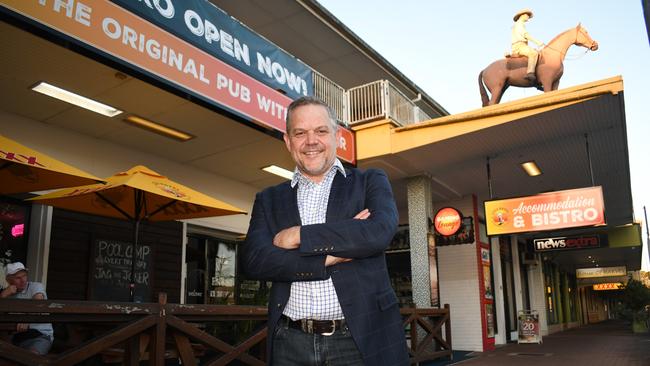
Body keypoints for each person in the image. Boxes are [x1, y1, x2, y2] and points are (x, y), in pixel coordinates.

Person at [242, 96, 408, 366]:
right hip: (288, 341)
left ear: (336, 136)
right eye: (300, 133)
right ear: (288, 141)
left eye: (320, 131)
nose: (311, 141)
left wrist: (298, 235)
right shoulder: (268, 199)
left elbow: (378, 232)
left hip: (359, 339)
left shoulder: (370, 181)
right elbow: (255, 260)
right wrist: (331, 255)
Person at [0, 262, 53, 355]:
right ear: (9, 280)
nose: (23, 280)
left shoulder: (35, 286)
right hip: (16, 338)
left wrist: (27, 319)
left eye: (24, 276)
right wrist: (3, 295)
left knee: (32, 359)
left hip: (40, 336)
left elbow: (38, 303)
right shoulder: (8, 295)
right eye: (18, 278)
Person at [511, 9, 545, 82]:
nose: (528, 18)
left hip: (522, 45)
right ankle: (530, 73)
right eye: (527, 16)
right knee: (533, 53)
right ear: (522, 15)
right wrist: (538, 42)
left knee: (535, 52)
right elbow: (525, 35)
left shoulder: (519, 24)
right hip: (519, 46)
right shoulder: (519, 24)